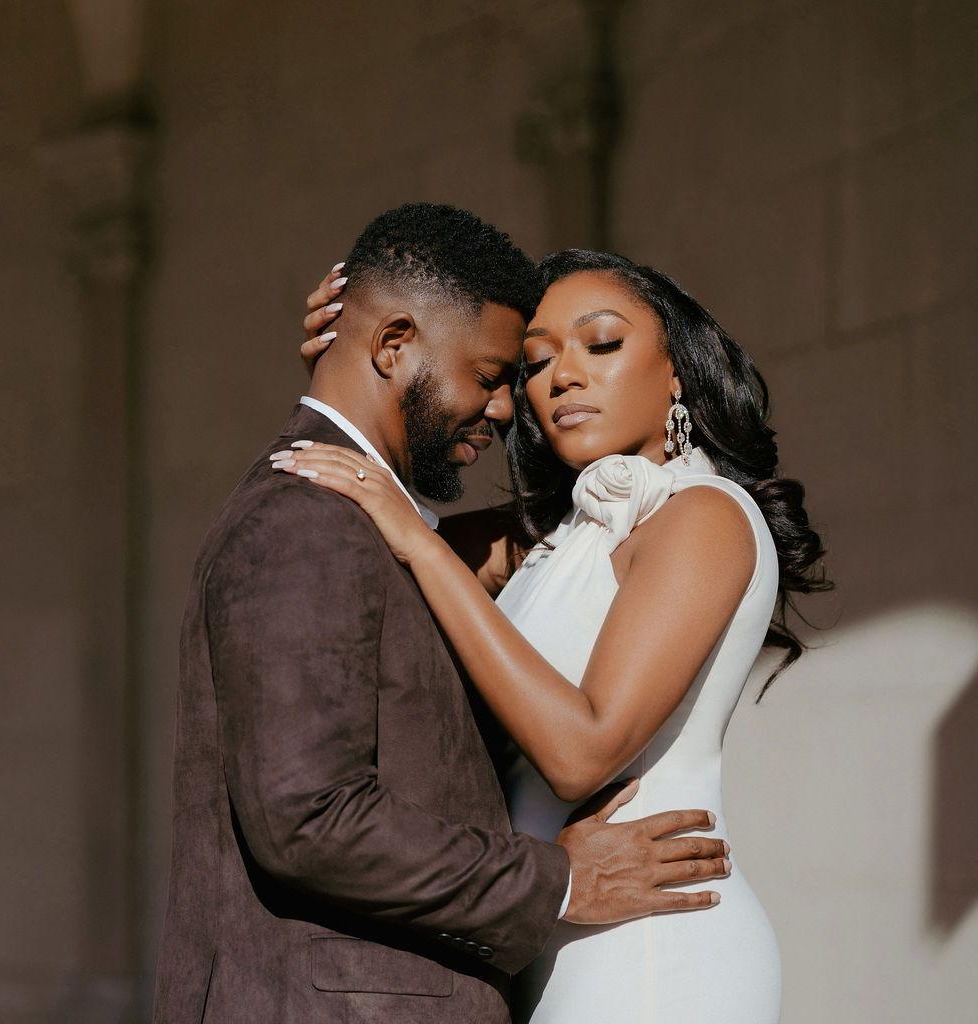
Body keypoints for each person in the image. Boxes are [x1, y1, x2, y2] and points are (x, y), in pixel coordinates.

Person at [153, 205, 731, 1024]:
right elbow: (307, 820)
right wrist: (558, 882)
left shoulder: (379, 524)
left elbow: (572, 539)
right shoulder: (304, 521)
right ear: (393, 345)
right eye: (493, 375)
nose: (506, 409)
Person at [283, 246, 831, 1022]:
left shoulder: (703, 516)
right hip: (559, 936)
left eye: (601, 344)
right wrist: (355, 366)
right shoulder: (559, 536)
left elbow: (583, 752)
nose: (562, 377)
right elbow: (354, 523)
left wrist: (419, 544)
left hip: (654, 951)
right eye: (536, 363)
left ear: (677, 372)